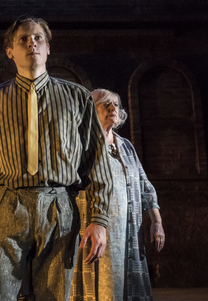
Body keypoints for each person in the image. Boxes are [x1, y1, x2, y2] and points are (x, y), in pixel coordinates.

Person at [0, 15, 113, 301]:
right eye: (23, 39)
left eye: (38, 38)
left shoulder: (77, 97)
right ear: (10, 51)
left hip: (59, 205)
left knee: (54, 295)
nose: (32, 42)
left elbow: (96, 161)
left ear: (48, 48)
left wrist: (99, 219)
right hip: (7, 203)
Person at [70, 88, 165, 301]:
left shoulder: (126, 146)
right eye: (106, 104)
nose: (113, 109)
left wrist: (156, 221)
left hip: (129, 231)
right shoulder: (82, 144)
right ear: (90, 111)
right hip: (95, 225)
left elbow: (144, 185)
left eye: (116, 105)